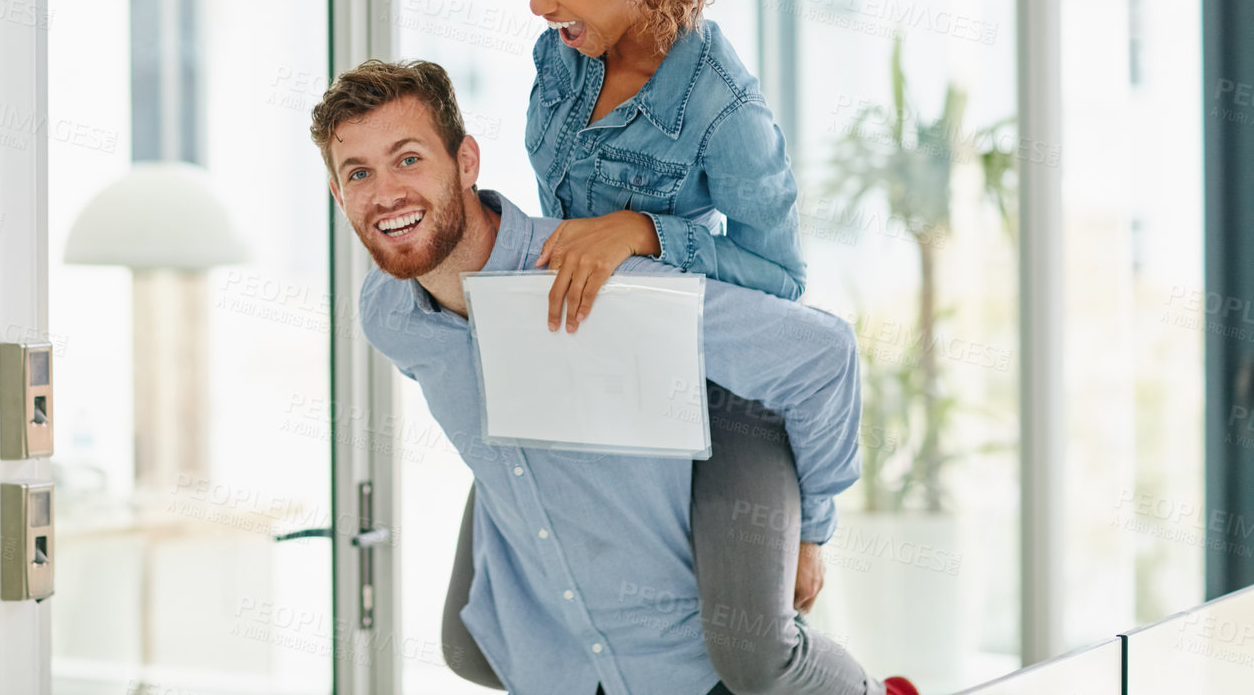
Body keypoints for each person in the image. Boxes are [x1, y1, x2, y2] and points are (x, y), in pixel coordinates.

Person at [212, 0, 830, 691]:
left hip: (719, 387)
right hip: (584, 351)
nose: (536, 2)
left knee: (744, 650)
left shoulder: (727, 112)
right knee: (474, 636)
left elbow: (784, 291)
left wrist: (644, 232)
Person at [308, 58, 918, 695]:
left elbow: (820, 354)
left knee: (756, 662)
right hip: (561, 645)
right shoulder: (386, 314)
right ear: (337, 193)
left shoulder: (594, 277)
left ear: (465, 162)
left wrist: (811, 531)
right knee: (470, 647)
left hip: (680, 644)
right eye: (358, 173)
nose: (385, 194)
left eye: (408, 159)